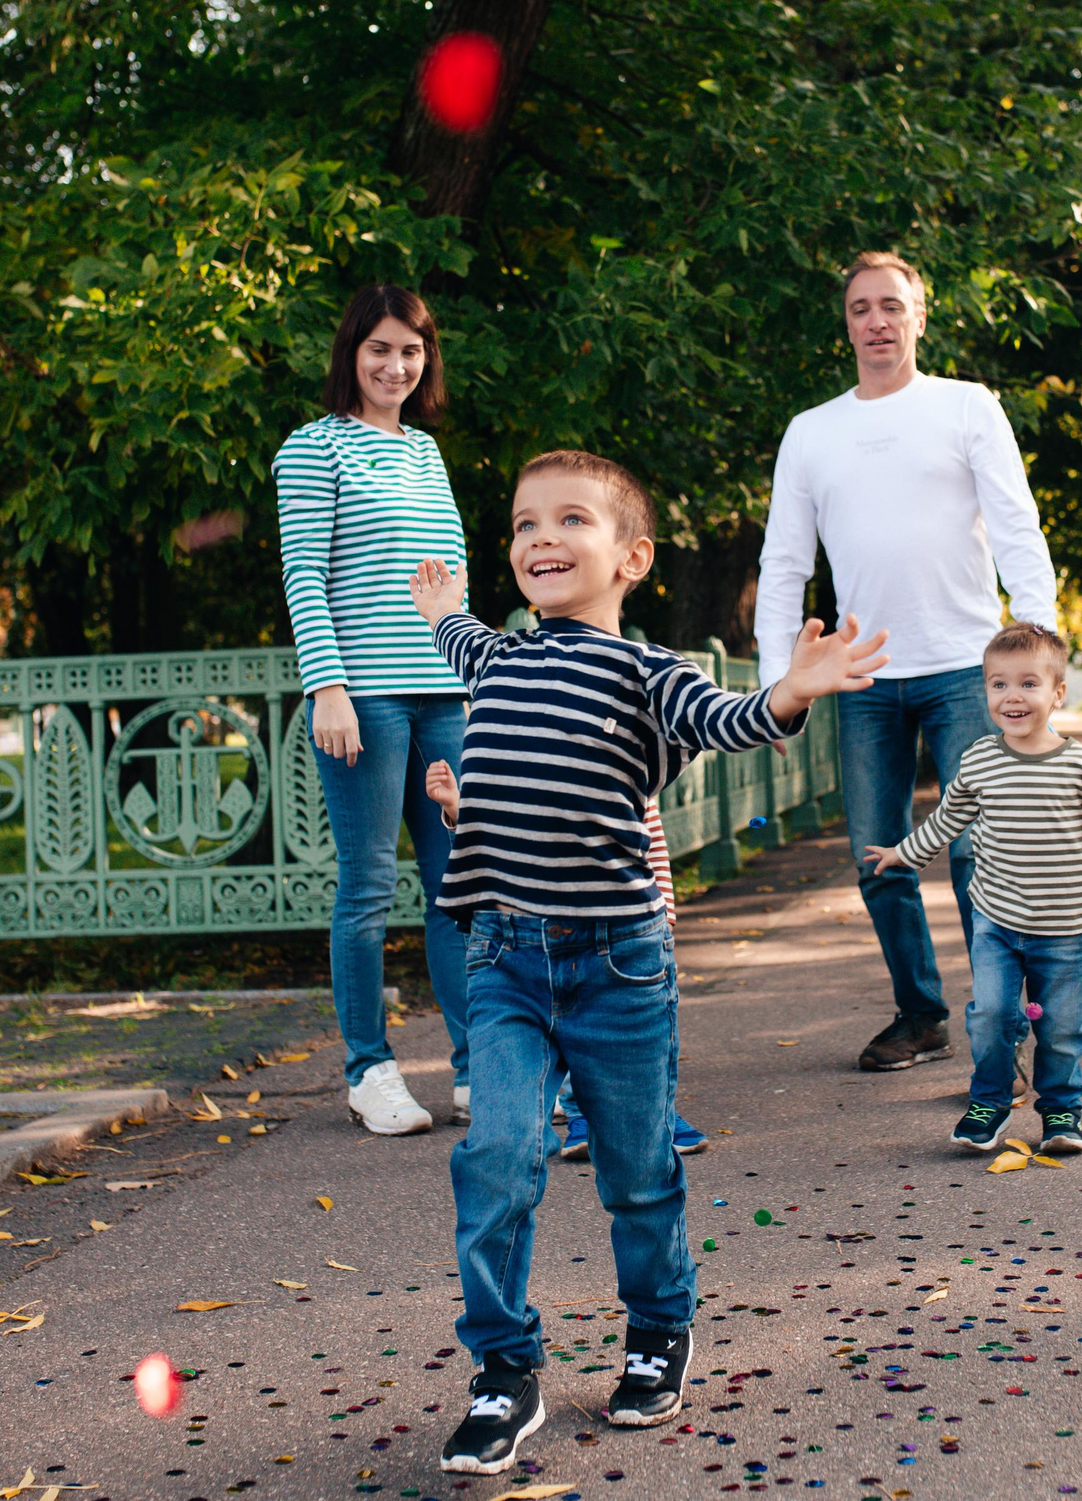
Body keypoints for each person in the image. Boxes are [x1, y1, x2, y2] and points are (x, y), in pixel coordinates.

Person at [408, 450, 885, 1475]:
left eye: (568, 521)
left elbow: (731, 721)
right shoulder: (491, 659)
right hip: (503, 960)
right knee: (496, 1157)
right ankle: (503, 1373)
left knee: (635, 1174)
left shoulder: (649, 673)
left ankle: (660, 1332)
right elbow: (453, 636)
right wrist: (441, 603)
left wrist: (794, 692)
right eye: (524, 524)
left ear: (630, 556)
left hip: (618, 966)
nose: (539, 538)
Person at [754, 250, 1060, 1073]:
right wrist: (772, 690)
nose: (877, 321)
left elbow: (1017, 527)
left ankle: (1005, 1029)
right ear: (846, 323)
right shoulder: (812, 431)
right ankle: (921, 1014)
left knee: (974, 852)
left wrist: (1040, 655)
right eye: (861, 308)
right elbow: (784, 563)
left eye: (892, 305)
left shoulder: (967, 407)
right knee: (877, 854)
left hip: (966, 668)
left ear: (919, 317)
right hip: (861, 677)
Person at [272, 285, 472, 1136]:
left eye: (412, 351)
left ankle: (479, 1066)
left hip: (445, 691)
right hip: (366, 697)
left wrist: (476, 669)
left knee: (461, 884)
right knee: (367, 888)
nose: (396, 366)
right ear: (352, 351)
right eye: (381, 349)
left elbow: (449, 576)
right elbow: (304, 579)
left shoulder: (426, 454)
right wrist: (328, 688)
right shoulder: (314, 449)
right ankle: (369, 1069)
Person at [864, 622, 1082, 1155]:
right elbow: (948, 819)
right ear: (985, 690)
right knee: (991, 1015)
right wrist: (904, 853)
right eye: (998, 684)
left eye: (1029, 684)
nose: (1012, 696)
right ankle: (988, 1102)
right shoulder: (981, 760)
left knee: (1060, 1029)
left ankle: (1060, 1112)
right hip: (997, 922)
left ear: (1058, 693)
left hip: (1065, 930)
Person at [420, 769, 711, 1158]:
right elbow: (491, 841)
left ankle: (654, 1115)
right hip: (538, 927)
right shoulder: (516, 759)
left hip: (620, 925)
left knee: (638, 1033)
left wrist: (662, 916)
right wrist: (457, 809)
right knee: (568, 1025)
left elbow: (649, 835)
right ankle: (582, 1116)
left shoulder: (617, 754)